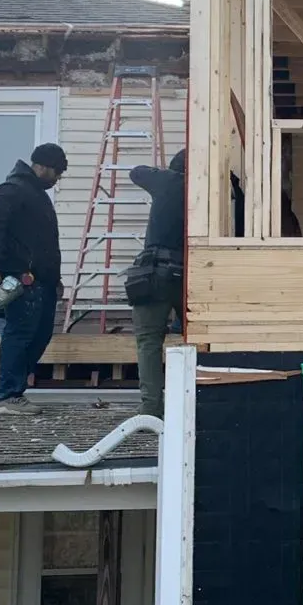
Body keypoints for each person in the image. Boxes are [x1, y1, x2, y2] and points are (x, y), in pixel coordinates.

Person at [0, 143, 68, 414]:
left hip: (43, 281)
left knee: (40, 335)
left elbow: (45, 244)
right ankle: (6, 395)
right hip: (21, 279)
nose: (58, 178)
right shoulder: (11, 191)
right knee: (20, 334)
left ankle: (12, 390)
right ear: (41, 166)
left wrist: (55, 278)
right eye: (56, 171)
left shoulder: (37, 195)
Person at [126, 152, 185, 419]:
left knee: (149, 340)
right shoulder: (209, 189)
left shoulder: (168, 182)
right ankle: (193, 397)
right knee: (197, 338)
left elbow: (136, 171)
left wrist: (165, 174)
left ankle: (151, 407)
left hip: (156, 273)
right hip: (189, 275)